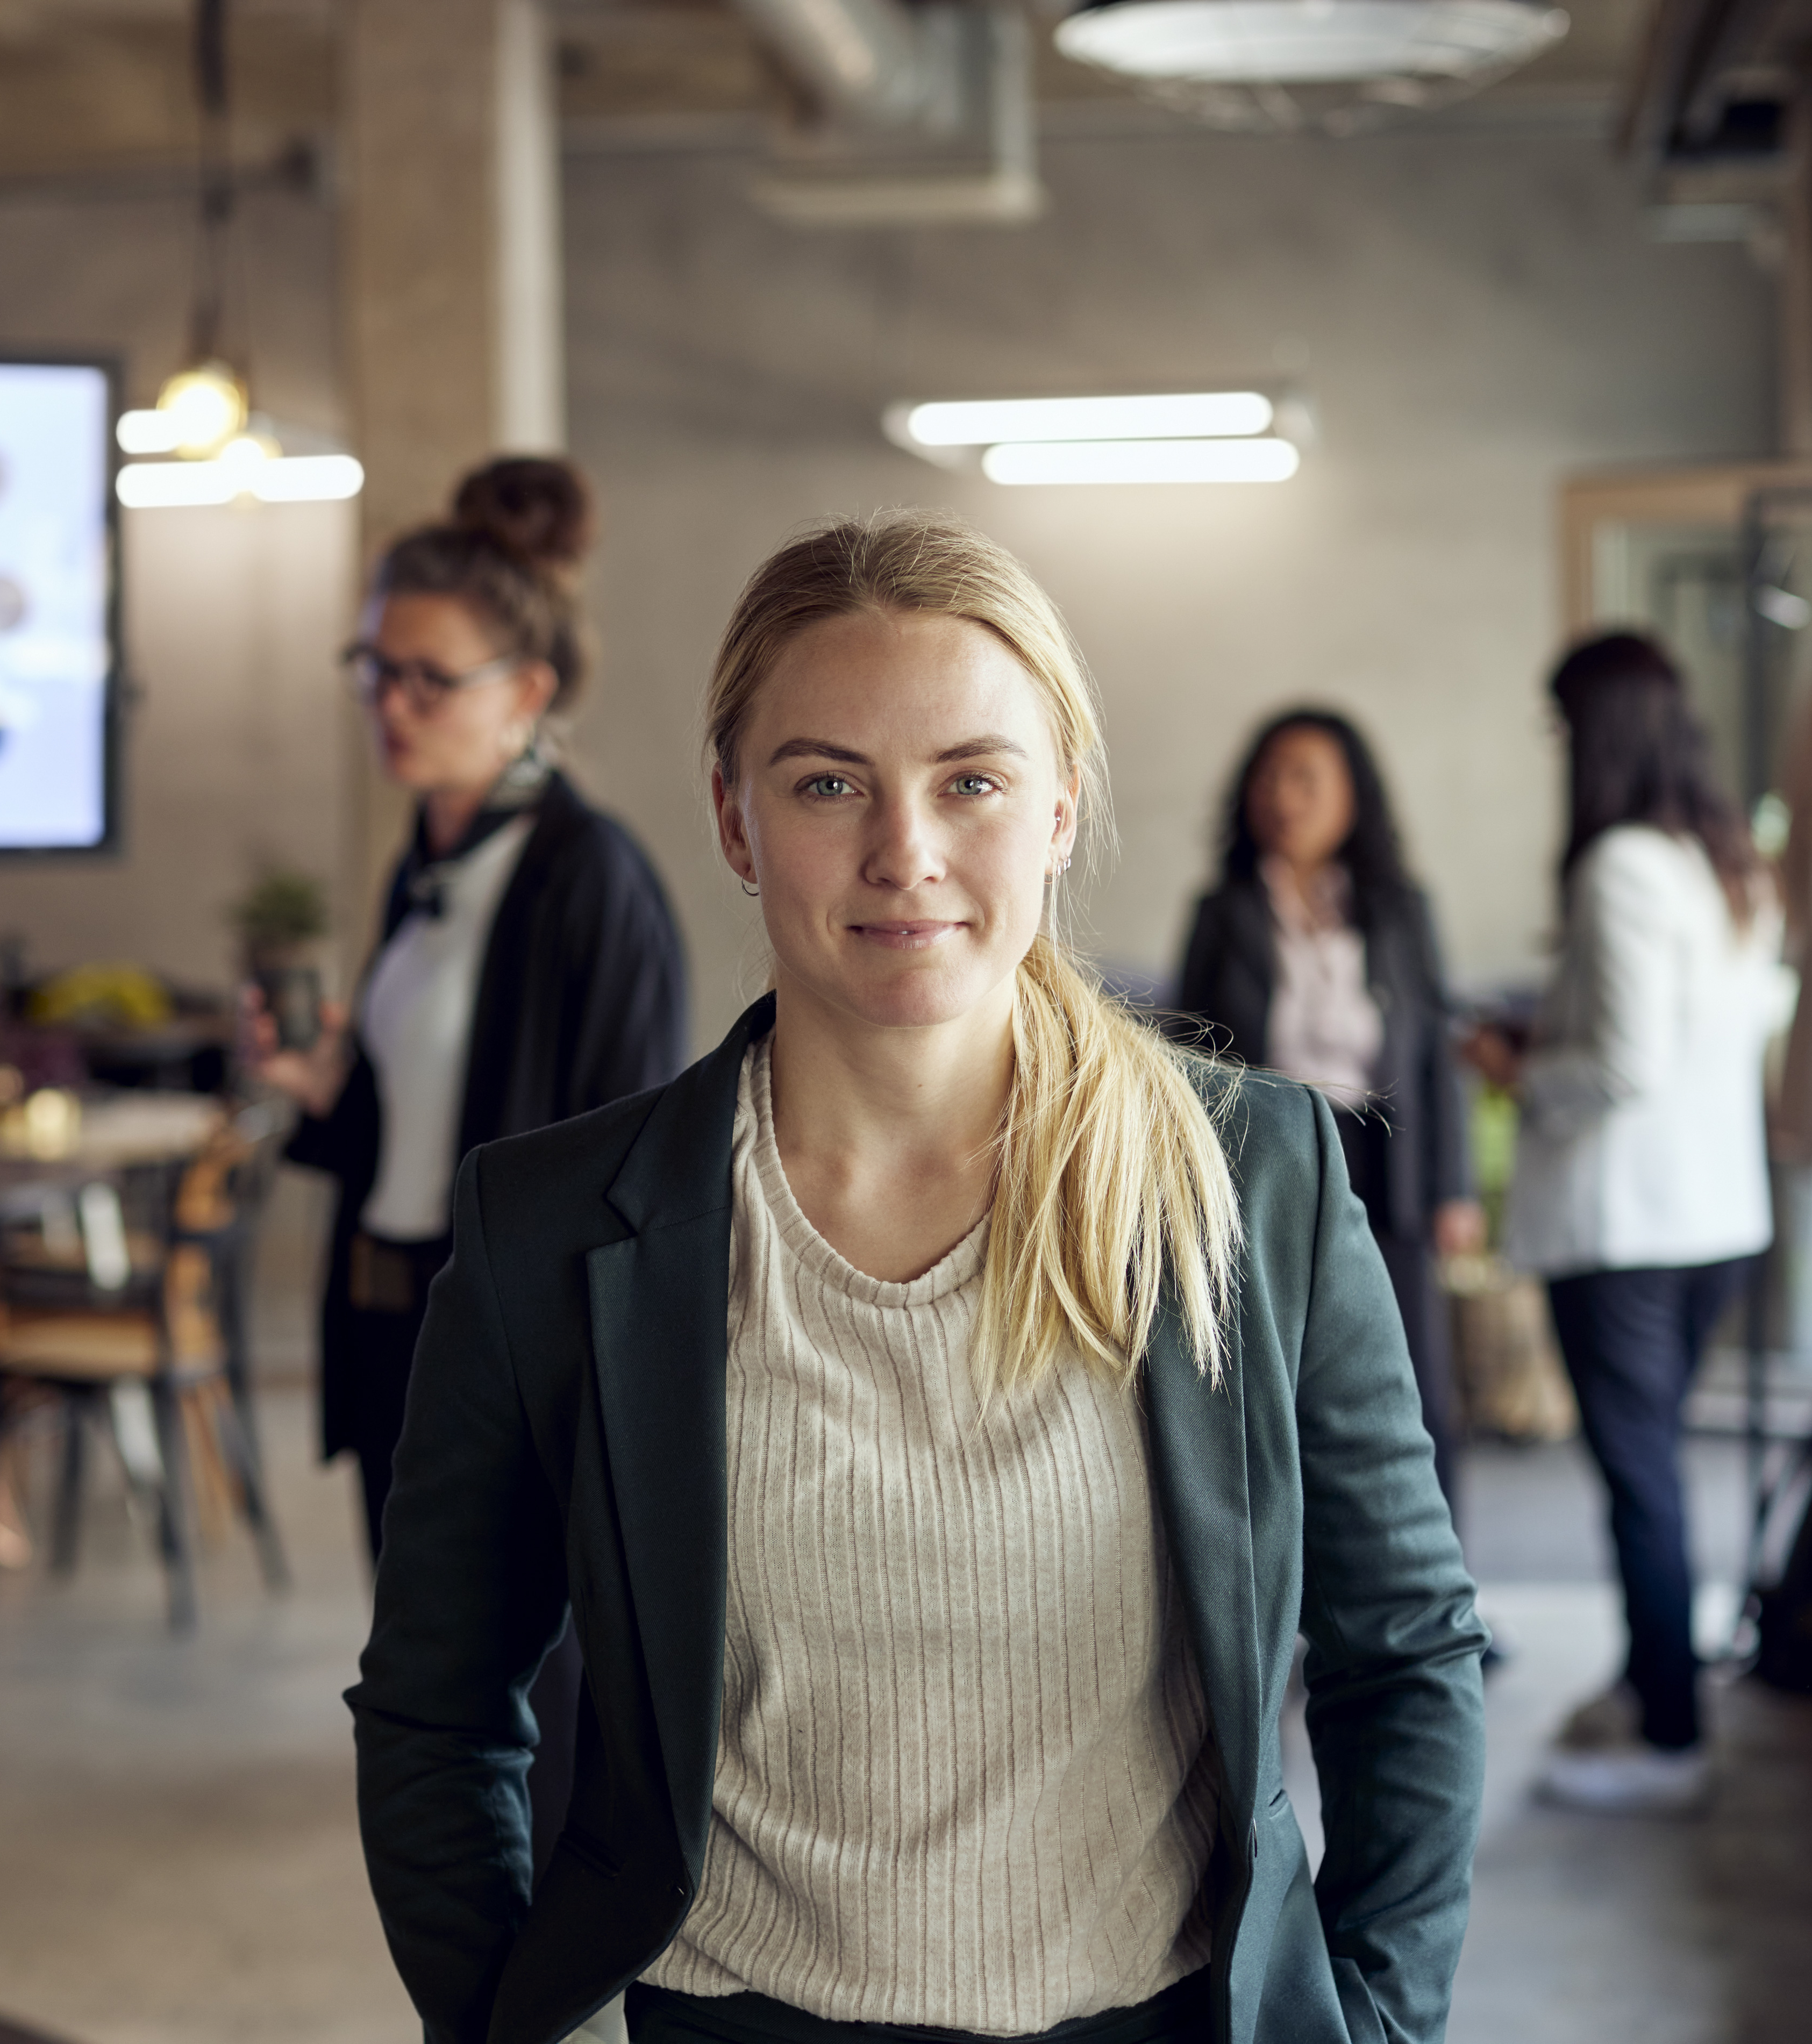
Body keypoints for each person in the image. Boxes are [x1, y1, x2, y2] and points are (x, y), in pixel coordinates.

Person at [352, 511, 1486, 2044]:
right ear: (735, 817)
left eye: (972, 781)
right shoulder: (550, 1229)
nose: (906, 853)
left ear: (1061, 807)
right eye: (828, 783)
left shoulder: (1246, 1178)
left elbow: (1406, 1653)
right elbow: (436, 1706)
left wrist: (1377, 2026)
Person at [260, 453, 689, 1563]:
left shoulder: (590, 881)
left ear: (528, 691)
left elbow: (635, 1170)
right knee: (410, 1658)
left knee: (515, 1668)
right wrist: (326, 1087)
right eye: (374, 667)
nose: (389, 704)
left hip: (512, 1367)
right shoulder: (425, 863)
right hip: (389, 1332)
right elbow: (416, 1135)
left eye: (429, 679)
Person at [1464, 630, 1786, 1817]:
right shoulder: (1725, 862)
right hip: (1716, 1218)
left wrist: (1519, 1068)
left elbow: (1624, 1064)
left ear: (1596, 731)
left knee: (1640, 1478)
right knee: (1653, 1469)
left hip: (1629, 1229)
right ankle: (1657, 1673)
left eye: (1561, 725)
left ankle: (1670, 1737)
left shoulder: (1619, 866)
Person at [1171, 709, 1481, 1518]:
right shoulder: (1224, 911)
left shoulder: (1400, 909)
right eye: (1270, 777)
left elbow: (1434, 1053)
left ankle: (1433, 1567)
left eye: (1306, 778)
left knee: (1410, 1375)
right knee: (1280, 1376)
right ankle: (1294, 1575)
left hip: (1385, 1157)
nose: (1283, 796)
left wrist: (1455, 1188)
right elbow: (1185, 1055)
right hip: (1266, 1160)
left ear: (1352, 796)